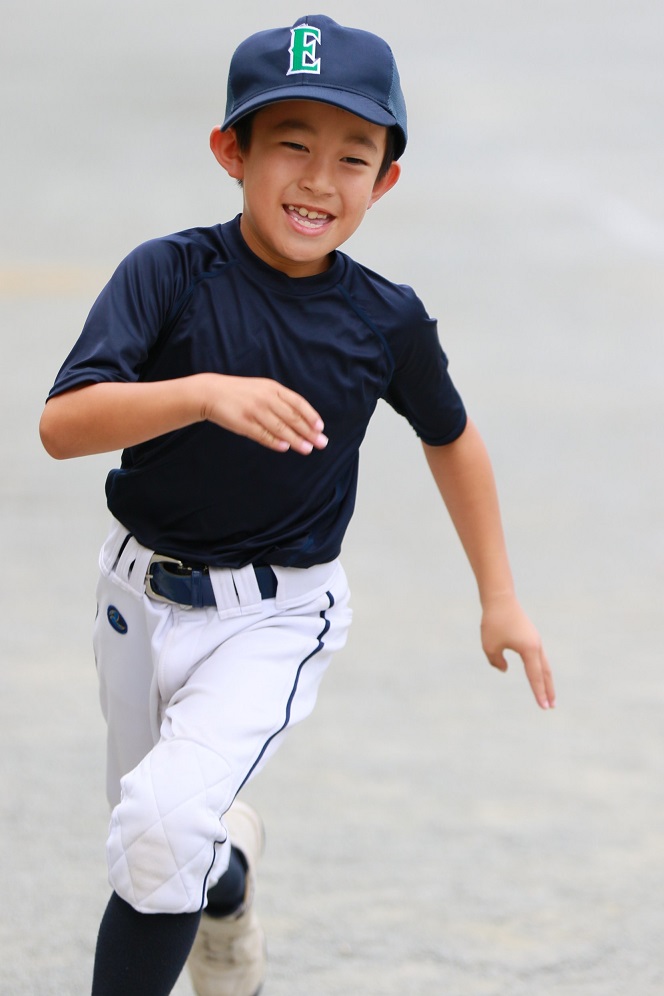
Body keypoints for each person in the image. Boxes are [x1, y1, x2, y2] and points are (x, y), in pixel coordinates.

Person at [39, 14, 555, 996]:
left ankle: (203, 870)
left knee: (157, 831)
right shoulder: (168, 273)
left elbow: (451, 437)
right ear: (230, 151)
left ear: (385, 180)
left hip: (273, 618)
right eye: (290, 144)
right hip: (135, 597)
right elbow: (63, 426)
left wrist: (500, 597)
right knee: (155, 838)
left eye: (352, 156)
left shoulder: (383, 319)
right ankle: (226, 880)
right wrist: (201, 394)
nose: (319, 179)